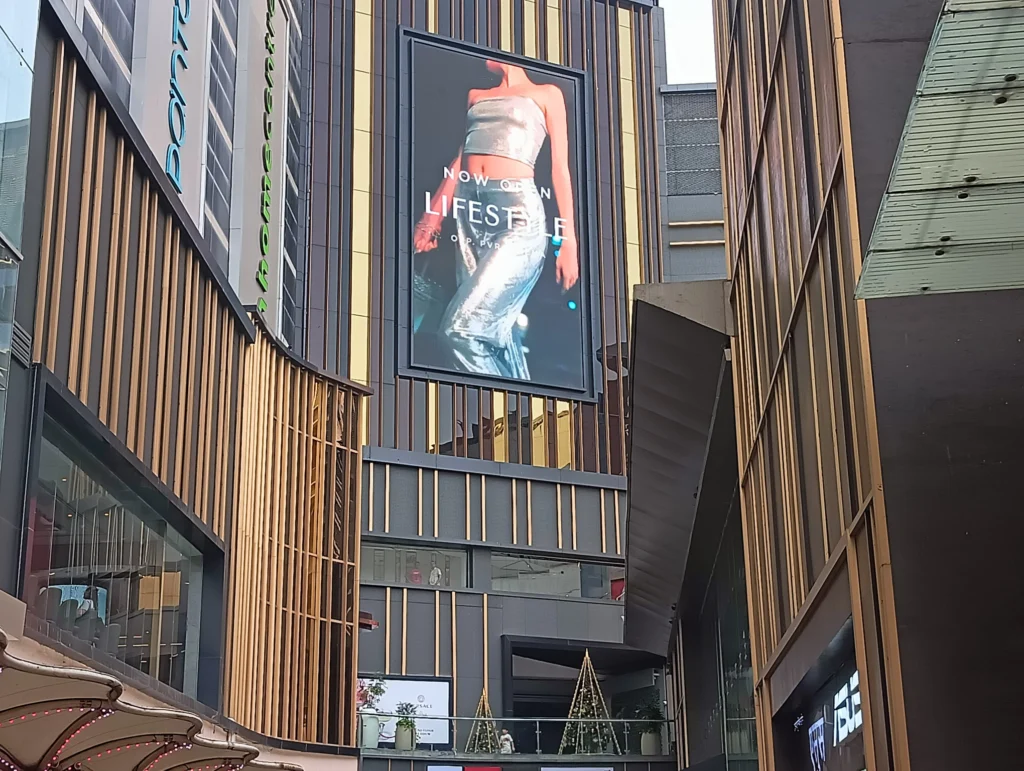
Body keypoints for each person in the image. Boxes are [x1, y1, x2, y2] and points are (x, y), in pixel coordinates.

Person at [414, 59, 579, 381]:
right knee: (498, 330)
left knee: (460, 330)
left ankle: (500, 399)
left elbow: (560, 168)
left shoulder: (547, 94)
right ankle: (520, 402)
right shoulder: (476, 96)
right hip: (470, 213)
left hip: (517, 213)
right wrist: (431, 217)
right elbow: (460, 160)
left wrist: (568, 240)